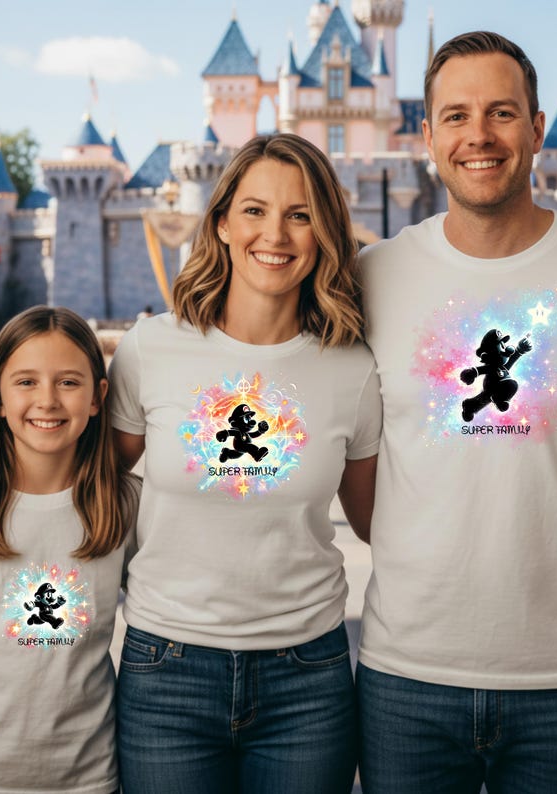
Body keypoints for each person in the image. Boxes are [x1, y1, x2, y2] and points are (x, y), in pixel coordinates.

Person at [356, 30, 557, 793]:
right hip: (406, 677)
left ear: (536, 128)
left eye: (501, 112)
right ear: (425, 136)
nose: (479, 136)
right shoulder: (373, 276)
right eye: (456, 116)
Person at [109, 133, 381, 793]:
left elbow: (380, 524)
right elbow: (93, 491)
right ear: (223, 221)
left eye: (301, 213)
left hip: (306, 679)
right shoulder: (152, 348)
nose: (277, 234)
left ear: (324, 232)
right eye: (256, 210)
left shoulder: (353, 368)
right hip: (166, 667)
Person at [0, 306, 138, 794]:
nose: (48, 401)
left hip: (88, 778)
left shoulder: (124, 504)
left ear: (99, 398)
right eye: (27, 382)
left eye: (69, 383)